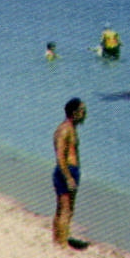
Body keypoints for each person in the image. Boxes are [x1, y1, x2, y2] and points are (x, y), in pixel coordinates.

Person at [53, 97, 85, 247]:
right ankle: (62, 243)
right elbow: (60, 157)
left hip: (70, 171)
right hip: (66, 171)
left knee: (63, 209)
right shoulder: (64, 130)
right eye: (82, 111)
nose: (85, 114)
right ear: (75, 112)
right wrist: (68, 177)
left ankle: (58, 239)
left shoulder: (71, 129)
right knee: (66, 210)